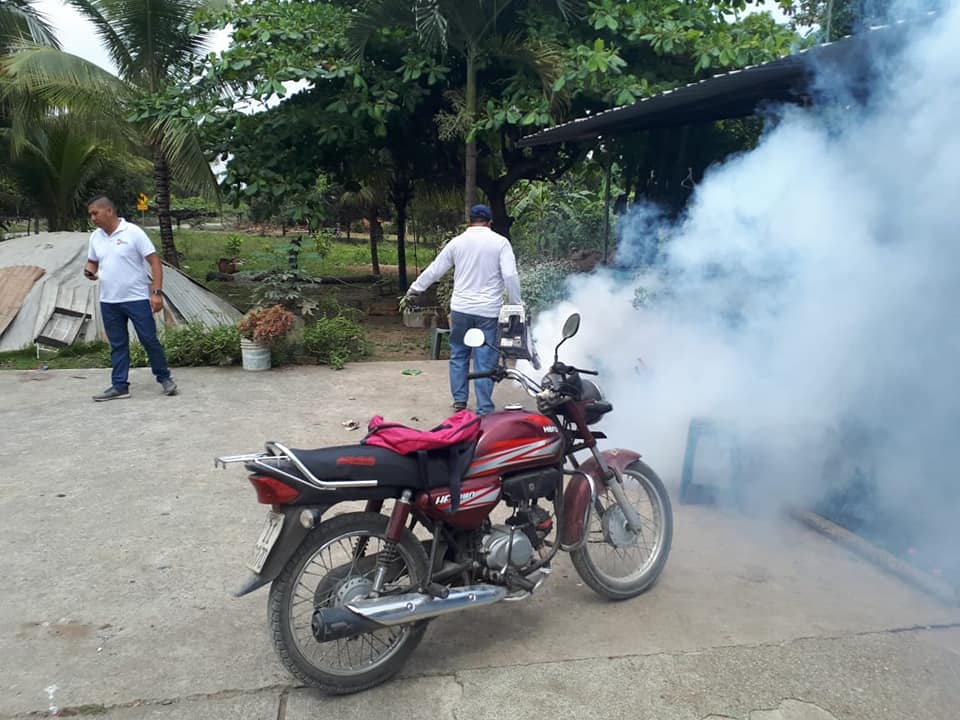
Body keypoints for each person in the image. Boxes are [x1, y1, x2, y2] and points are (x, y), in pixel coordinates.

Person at [405, 204, 522, 415]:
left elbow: (435, 269)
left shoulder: (457, 243)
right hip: (488, 312)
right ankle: (484, 407)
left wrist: (414, 289)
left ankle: (460, 401)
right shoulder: (500, 243)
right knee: (485, 358)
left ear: (469, 221)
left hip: (460, 309)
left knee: (459, 353)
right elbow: (510, 276)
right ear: (490, 222)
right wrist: (516, 304)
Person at [83, 195, 177, 401]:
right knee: (118, 344)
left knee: (149, 340)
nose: (92, 218)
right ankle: (119, 386)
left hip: (136, 299)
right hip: (109, 301)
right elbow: (92, 261)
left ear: (109, 211)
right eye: (90, 214)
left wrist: (156, 293)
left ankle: (164, 378)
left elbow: (155, 262)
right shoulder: (95, 237)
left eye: (95, 213)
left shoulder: (133, 232)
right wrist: (89, 270)